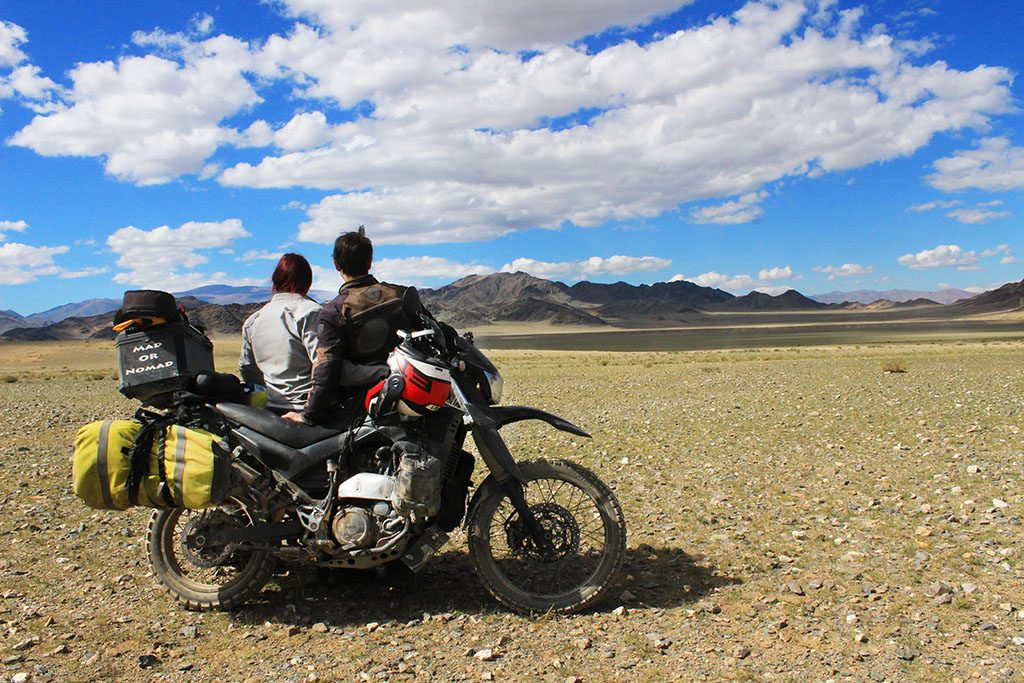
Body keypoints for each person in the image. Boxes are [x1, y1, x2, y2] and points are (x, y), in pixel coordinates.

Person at [284, 226, 418, 426]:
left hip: (365, 409)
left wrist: (309, 415)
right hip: (414, 393)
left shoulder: (334, 311)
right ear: (370, 262)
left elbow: (327, 368)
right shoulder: (401, 294)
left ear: (336, 265)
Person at [239, 253, 321, 415]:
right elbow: (323, 363)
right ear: (308, 282)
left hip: (271, 408)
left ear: (275, 281)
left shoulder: (253, 320)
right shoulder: (311, 312)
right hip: (306, 409)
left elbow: (248, 368)